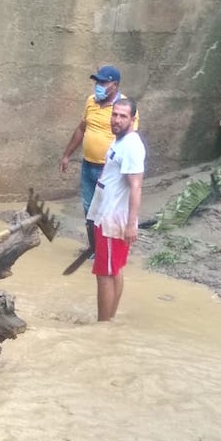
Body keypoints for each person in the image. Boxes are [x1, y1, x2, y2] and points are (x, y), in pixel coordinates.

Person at [59, 65, 138, 254]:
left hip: (110, 169)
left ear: (115, 85)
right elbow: (81, 128)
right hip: (88, 165)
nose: (98, 85)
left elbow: (130, 139)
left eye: (103, 82)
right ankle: (95, 249)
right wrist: (67, 155)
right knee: (89, 208)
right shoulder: (91, 101)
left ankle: (109, 250)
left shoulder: (123, 108)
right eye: (97, 81)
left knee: (107, 210)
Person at [86, 98, 145, 322]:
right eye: (115, 114)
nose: (117, 120)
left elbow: (136, 186)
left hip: (114, 220)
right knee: (114, 269)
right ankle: (109, 320)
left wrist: (131, 225)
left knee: (104, 273)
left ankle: (102, 325)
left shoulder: (131, 145)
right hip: (106, 216)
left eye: (123, 116)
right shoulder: (119, 141)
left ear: (133, 119)